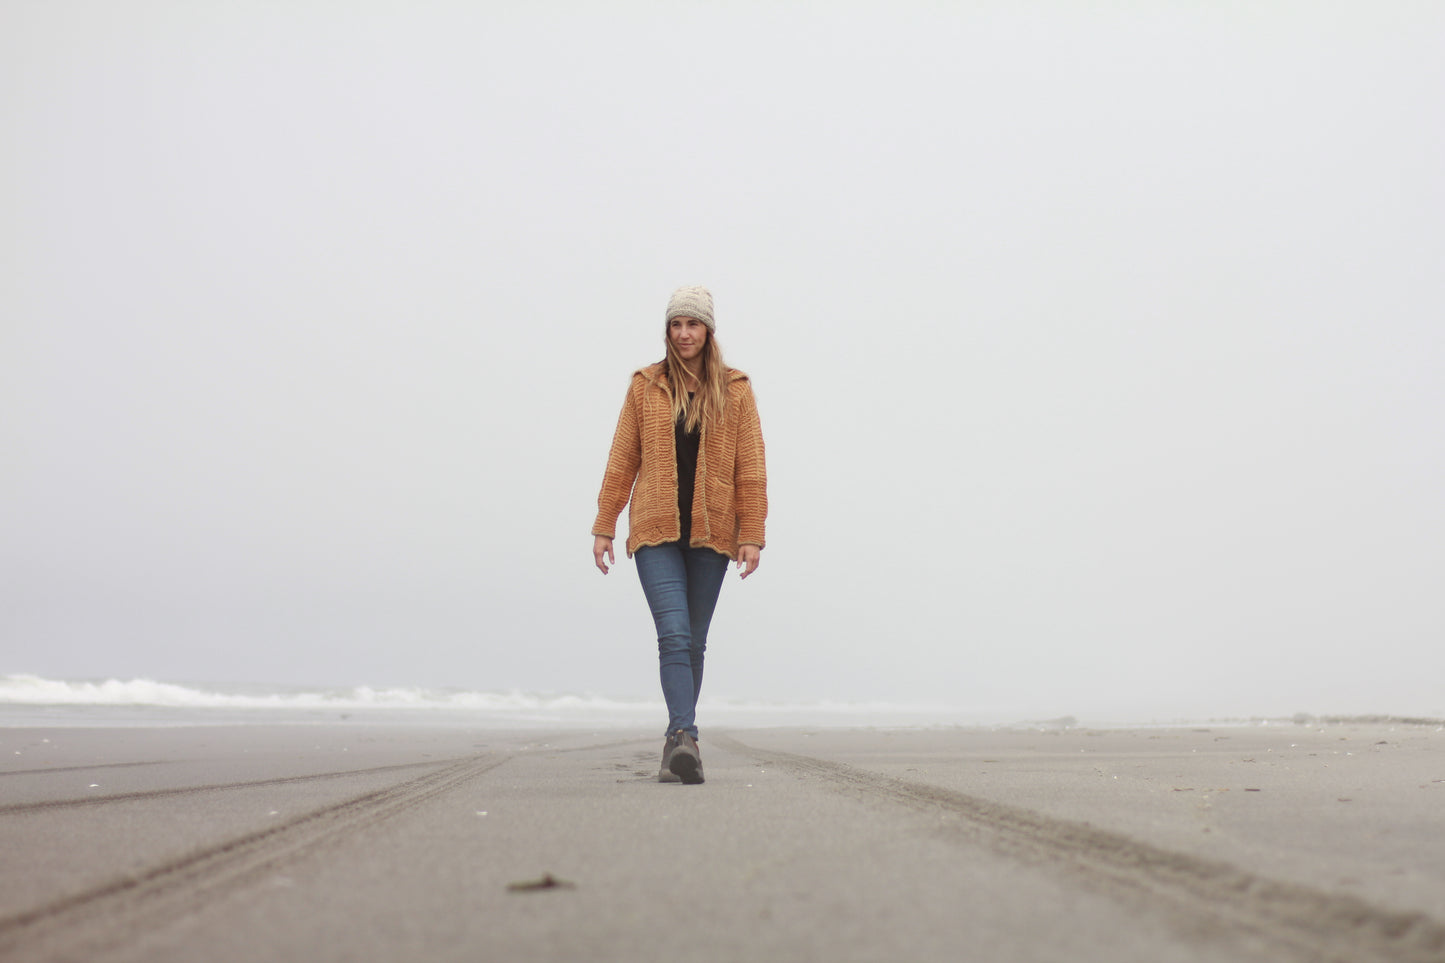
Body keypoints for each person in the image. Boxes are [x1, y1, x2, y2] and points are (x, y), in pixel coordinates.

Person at [592, 285, 768, 785]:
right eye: (676, 324)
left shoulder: (736, 389)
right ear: (667, 331)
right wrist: (605, 523)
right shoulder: (645, 386)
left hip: (713, 534)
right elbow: (622, 458)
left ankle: (680, 739)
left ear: (708, 330)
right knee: (672, 635)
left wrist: (751, 533)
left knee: (694, 643)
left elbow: (750, 468)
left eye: (693, 324)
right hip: (655, 529)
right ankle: (682, 735)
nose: (684, 333)